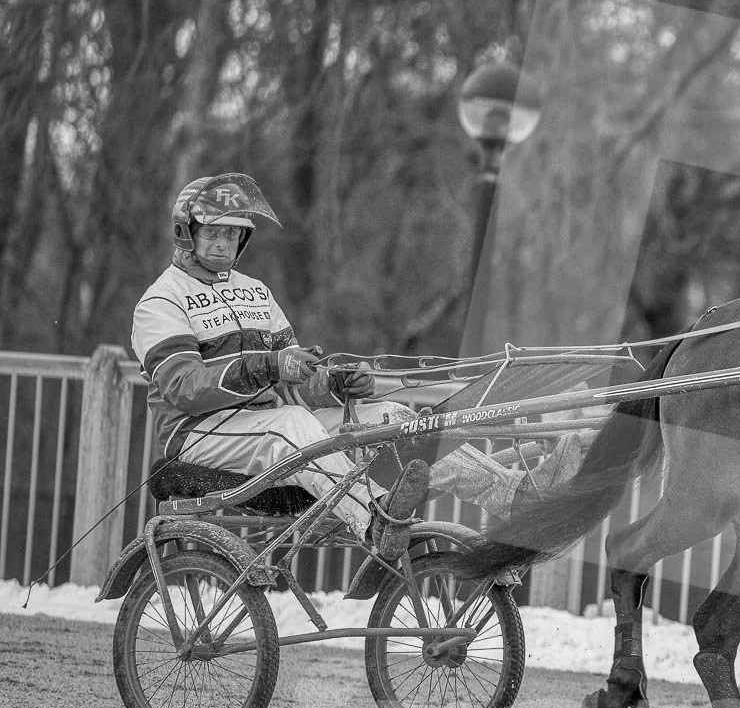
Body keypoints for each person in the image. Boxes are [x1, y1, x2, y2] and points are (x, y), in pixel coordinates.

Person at [131, 172, 567, 558]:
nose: (225, 243)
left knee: (395, 419)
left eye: (233, 233)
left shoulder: (256, 292)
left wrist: (333, 386)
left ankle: (515, 496)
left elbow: (293, 380)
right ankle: (376, 524)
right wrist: (270, 365)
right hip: (199, 434)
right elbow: (184, 386)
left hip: (271, 422)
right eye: (214, 232)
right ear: (185, 232)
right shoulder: (161, 301)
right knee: (290, 426)